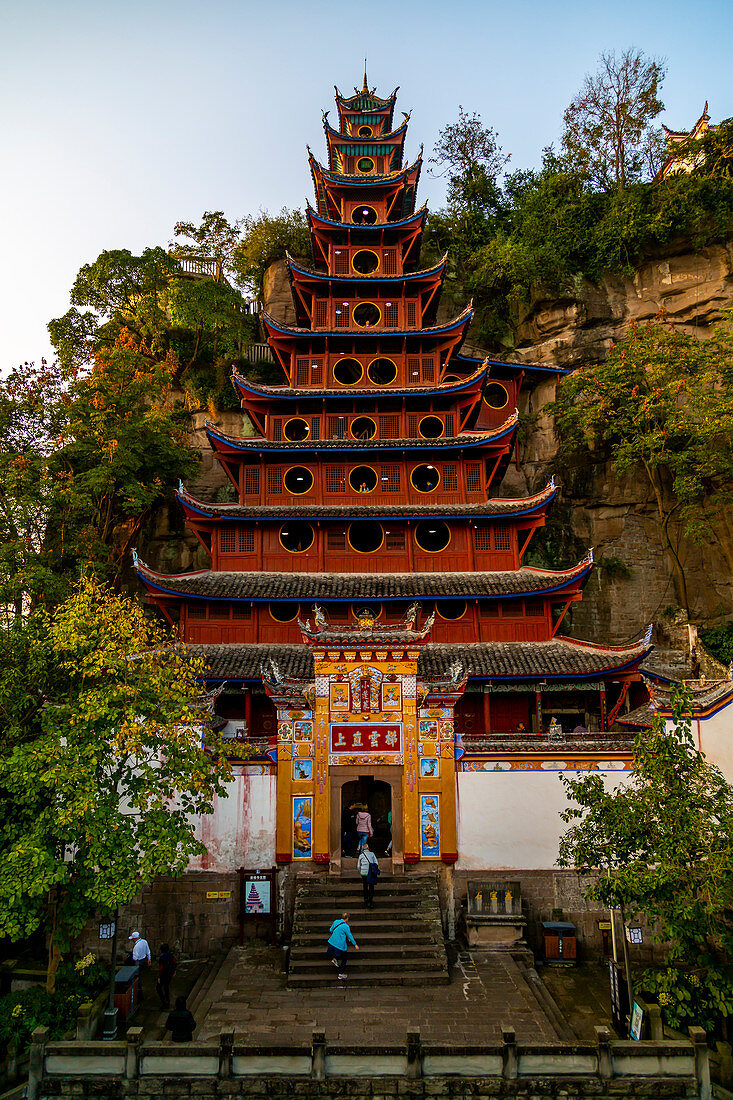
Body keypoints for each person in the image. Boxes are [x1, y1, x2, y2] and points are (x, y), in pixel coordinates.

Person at [326, 911, 359, 980]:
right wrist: (355, 944)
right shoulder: (346, 926)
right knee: (344, 958)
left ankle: (335, 959)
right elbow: (349, 936)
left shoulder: (336, 922)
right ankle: (341, 974)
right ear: (347, 919)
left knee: (337, 954)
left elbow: (331, 930)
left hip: (332, 942)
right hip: (339, 945)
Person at [357, 842, 379, 908]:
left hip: (364, 873)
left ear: (363, 849)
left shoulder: (361, 855)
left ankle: (366, 899)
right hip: (371, 873)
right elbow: (376, 863)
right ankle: (370, 900)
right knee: (371, 886)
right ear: (368, 848)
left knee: (365, 886)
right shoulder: (372, 854)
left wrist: (361, 871)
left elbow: (358, 866)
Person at [156, 943, 177, 1009]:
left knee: (158, 988)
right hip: (169, 974)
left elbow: (161, 968)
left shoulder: (162, 958)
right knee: (166, 987)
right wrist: (174, 971)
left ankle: (164, 1001)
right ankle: (167, 1000)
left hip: (164, 974)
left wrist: (159, 977)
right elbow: (174, 963)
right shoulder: (171, 956)